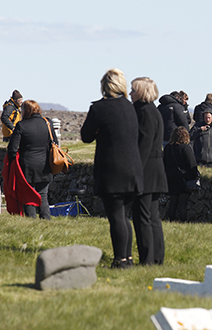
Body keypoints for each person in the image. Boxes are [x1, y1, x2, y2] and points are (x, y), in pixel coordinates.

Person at [81, 68, 144, 269]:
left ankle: (120, 260)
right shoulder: (130, 107)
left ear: (105, 86)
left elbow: (86, 135)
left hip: (112, 170)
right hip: (133, 169)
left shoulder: (100, 109)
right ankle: (128, 258)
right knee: (124, 217)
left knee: (116, 217)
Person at [130, 76, 168, 266]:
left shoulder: (144, 112)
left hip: (146, 170)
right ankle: (156, 258)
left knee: (143, 217)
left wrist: (135, 172)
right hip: (155, 169)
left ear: (142, 92)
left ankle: (147, 260)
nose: (130, 93)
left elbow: (143, 146)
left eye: (133, 90)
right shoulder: (152, 110)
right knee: (152, 217)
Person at [7, 100, 58, 220]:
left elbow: (12, 149)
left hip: (27, 165)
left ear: (25, 111)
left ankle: (31, 221)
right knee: (43, 195)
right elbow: (54, 143)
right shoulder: (47, 123)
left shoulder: (22, 125)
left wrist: (13, 163)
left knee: (28, 195)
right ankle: (46, 221)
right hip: (45, 165)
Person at [163, 126, 198, 222]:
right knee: (183, 202)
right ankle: (183, 221)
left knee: (173, 202)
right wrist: (195, 176)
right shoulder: (185, 148)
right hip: (183, 178)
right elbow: (192, 164)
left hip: (171, 178)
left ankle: (171, 220)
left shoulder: (168, 148)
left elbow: (164, 163)